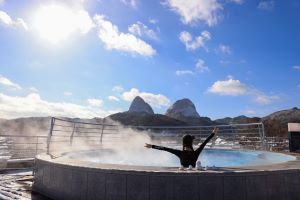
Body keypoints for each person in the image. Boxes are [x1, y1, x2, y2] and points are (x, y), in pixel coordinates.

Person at [145, 127, 219, 168]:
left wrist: (152, 146)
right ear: (191, 143)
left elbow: (165, 148)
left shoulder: (180, 153)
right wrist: (213, 134)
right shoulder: (196, 153)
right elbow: (204, 143)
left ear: (183, 143)